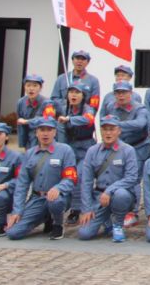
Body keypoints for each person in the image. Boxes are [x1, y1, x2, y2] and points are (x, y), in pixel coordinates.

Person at [6, 117, 77, 240]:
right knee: (13, 233)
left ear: (55, 132)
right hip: (37, 198)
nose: (45, 133)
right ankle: (45, 217)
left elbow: (71, 178)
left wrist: (58, 188)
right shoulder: (29, 154)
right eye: (42, 130)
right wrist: (17, 211)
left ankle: (57, 224)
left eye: (49, 130)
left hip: (59, 198)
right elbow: (22, 184)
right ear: (36, 133)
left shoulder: (65, 150)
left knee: (55, 202)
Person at [77, 115, 139, 242]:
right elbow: (86, 182)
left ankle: (118, 224)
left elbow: (131, 178)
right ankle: (107, 221)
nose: (108, 133)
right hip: (100, 198)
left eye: (112, 129)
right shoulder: (92, 151)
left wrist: (110, 190)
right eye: (105, 129)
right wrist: (86, 209)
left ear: (119, 131)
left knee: (121, 195)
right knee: (84, 234)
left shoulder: (128, 150)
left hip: (121, 195)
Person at [100, 80, 150, 228]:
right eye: (118, 93)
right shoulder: (111, 107)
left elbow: (140, 124)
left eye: (124, 92)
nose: (121, 96)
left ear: (131, 93)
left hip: (139, 146)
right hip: (119, 147)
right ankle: (119, 207)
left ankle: (133, 212)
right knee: (119, 176)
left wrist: (117, 125)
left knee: (134, 178)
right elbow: (104, 122)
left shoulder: (139, 108)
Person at [57, 81, 96, 225]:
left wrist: (70, 119)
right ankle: (66, 205)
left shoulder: (88, 109)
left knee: (79, 175)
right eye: (71, 92)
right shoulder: (63, 109)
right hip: (70, 146)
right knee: (67, 175)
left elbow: (88, 119)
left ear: (83, 95)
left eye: (77, 92)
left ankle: (77, 209)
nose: (73, 95)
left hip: (86, 147)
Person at [50, 50, 101, 115]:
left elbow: (94, 105)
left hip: (82, 118)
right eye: (77, 58)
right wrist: (66, 103)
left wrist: (81, 107)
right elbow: (53, 99)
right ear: (72, 60)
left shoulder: (93, 81)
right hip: (62, 116)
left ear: (88, 62)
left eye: (83, 59)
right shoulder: (61, 78)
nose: (80, 61)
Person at [15, 74, 58, 150]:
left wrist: (27, 121)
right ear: (24, 87)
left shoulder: (47, 103)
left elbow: (49, 119)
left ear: (40, 88)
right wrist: (22, 142)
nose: (31, 89)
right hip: (27, 138)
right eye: (28, 85)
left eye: (35, 86)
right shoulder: (21, 102)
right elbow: (20, 122)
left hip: (42, 137)